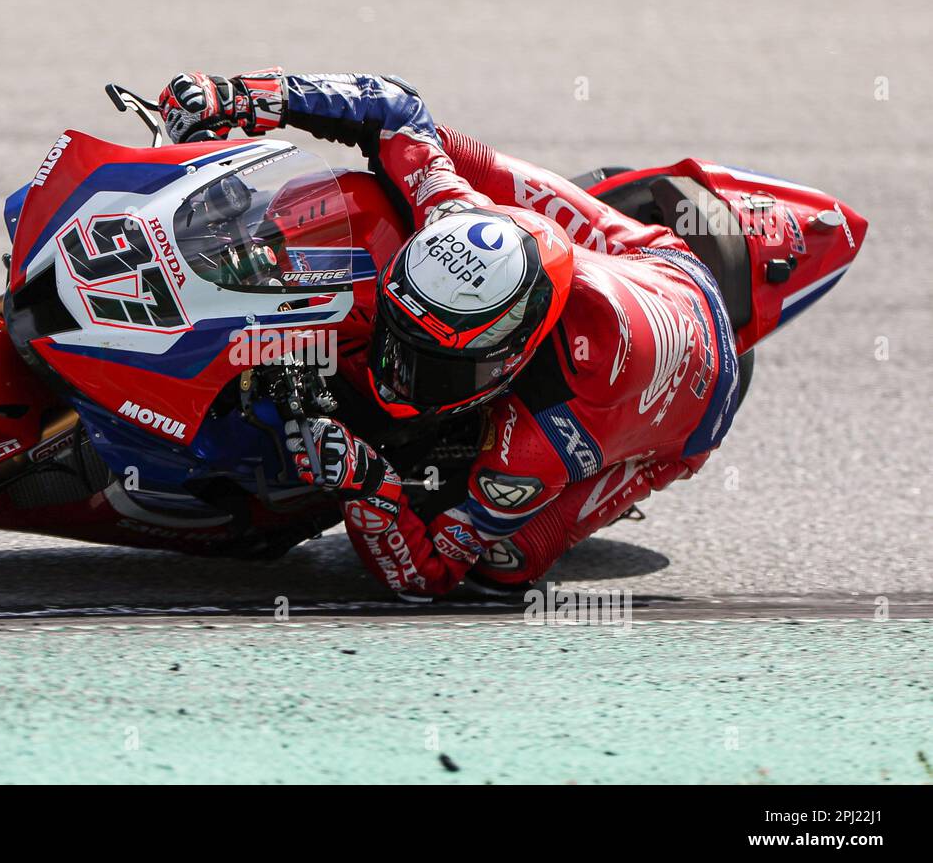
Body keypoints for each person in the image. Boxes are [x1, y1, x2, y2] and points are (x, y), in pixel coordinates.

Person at [158, 70, 741, 599]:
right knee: (445, 151)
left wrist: (367, 482)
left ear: (507, 362)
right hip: (646, 260)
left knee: (503, 568)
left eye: (433, 366)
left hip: (692, 404)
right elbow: (394, 108)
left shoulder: (541, 445)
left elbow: (427, 577)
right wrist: (244, 97)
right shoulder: (449, 209)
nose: (391, 376)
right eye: (398, 336)